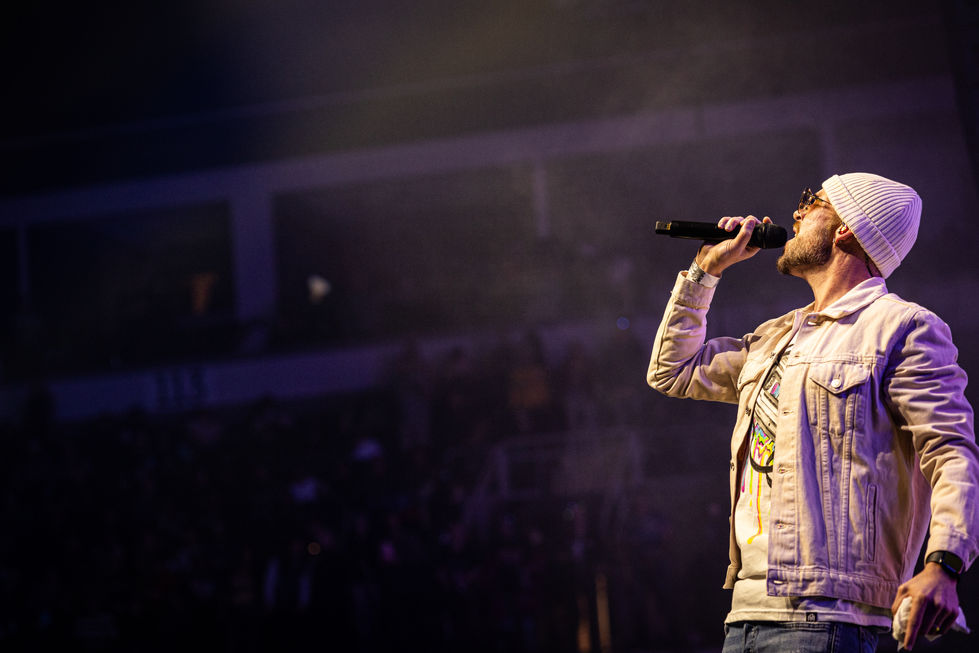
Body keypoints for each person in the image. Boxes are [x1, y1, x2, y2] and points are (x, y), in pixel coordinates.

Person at [646, 173, 979, 652]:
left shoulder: (903, 328)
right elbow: (672, 371)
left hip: (826, 614)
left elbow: (950, 452)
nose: (796, 212)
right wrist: (705, 270)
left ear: (846, 228)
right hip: (745, 612)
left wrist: (944, 564)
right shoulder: (777, 336)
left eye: (812, 201)